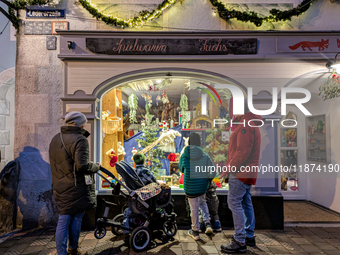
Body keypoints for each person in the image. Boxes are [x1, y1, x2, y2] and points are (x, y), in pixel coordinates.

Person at [49, 111, 100, 255]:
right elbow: (82, 166)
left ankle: (62, 252)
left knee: (63, 220)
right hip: (75, 186)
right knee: (75, 219)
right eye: (84, 122)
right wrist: (96, 166)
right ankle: (72, 249)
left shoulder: (55, 138)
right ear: (80, 124)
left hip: (60, 186)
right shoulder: (80, 139)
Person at [220, 109, 262, 254]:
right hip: (248, 172)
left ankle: (239, 240)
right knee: (246, 203)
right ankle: (249, 236)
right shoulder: (251, 124)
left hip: (240, 173)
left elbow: (242, 151)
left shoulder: (245, 126)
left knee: (234, 203)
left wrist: (229, 169)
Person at [179, 133, 215, 240]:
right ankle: (207, 223)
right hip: (202, 186)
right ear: (199, 142)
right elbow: (212, 172)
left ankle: (195, 231)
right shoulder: (205, 155)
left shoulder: (184, 155)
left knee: (193, 207)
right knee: (203, 202)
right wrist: (208, 181)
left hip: (190, 186)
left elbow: (181, 169)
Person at [122, 153, 157, 233]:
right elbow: (155, 182)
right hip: (145, 198)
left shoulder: (132, 171)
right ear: (144, 161)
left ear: (134, 162)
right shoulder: (145, 171)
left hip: (135, 198)